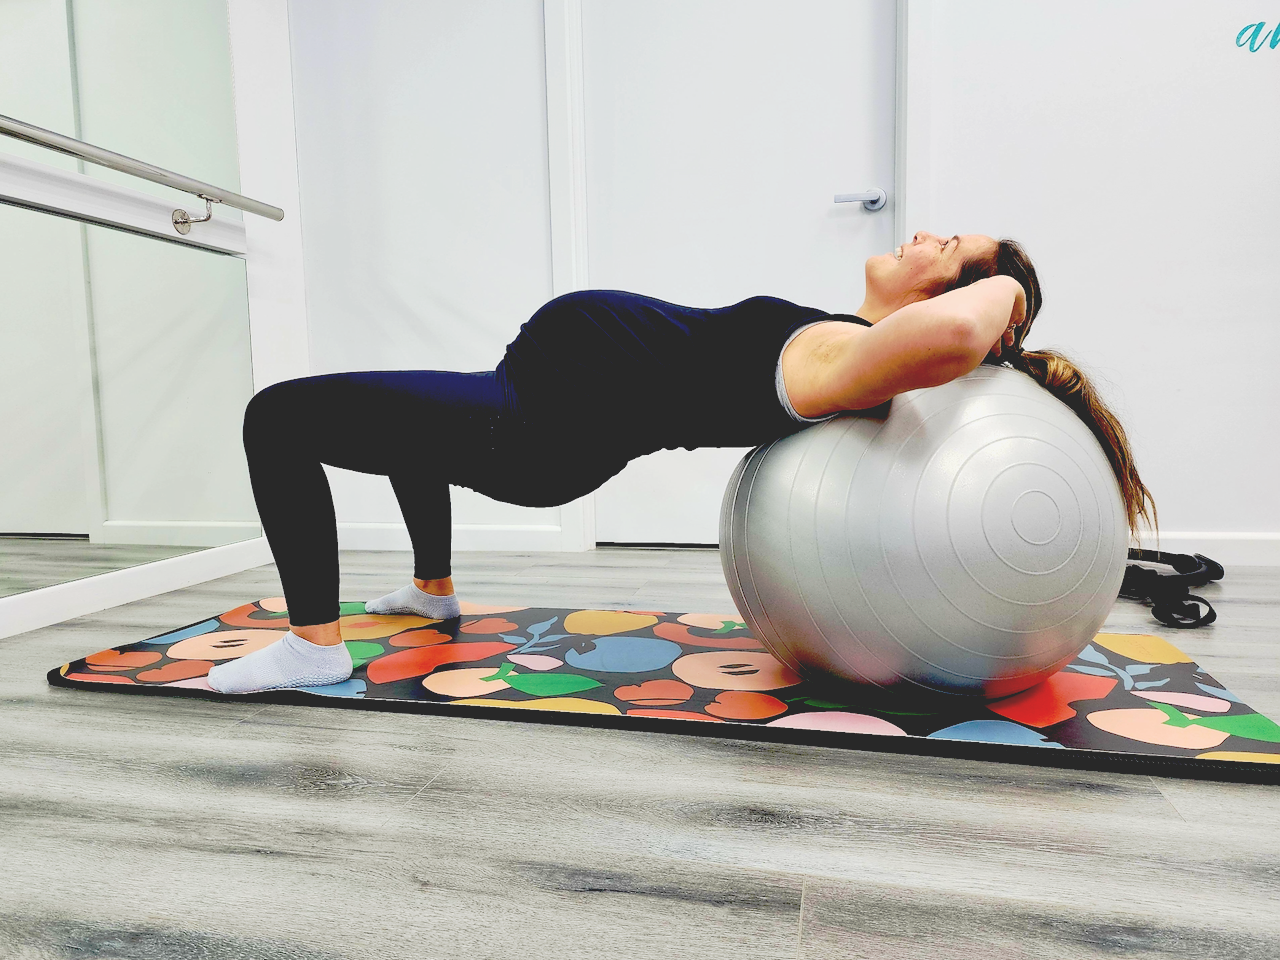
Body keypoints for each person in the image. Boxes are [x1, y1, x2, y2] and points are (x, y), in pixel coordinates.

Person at [207, 231, 1157, 694]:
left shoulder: (853, 359)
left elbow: (955, 332)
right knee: (398, 418)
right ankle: (432, 590)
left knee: (276, 419)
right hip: (526, 405)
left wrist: (1003, 289)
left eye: (949, 248)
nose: (923, 237)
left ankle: (313, 650)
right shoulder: (838, 335)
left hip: (534, 428)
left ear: (972, 293)